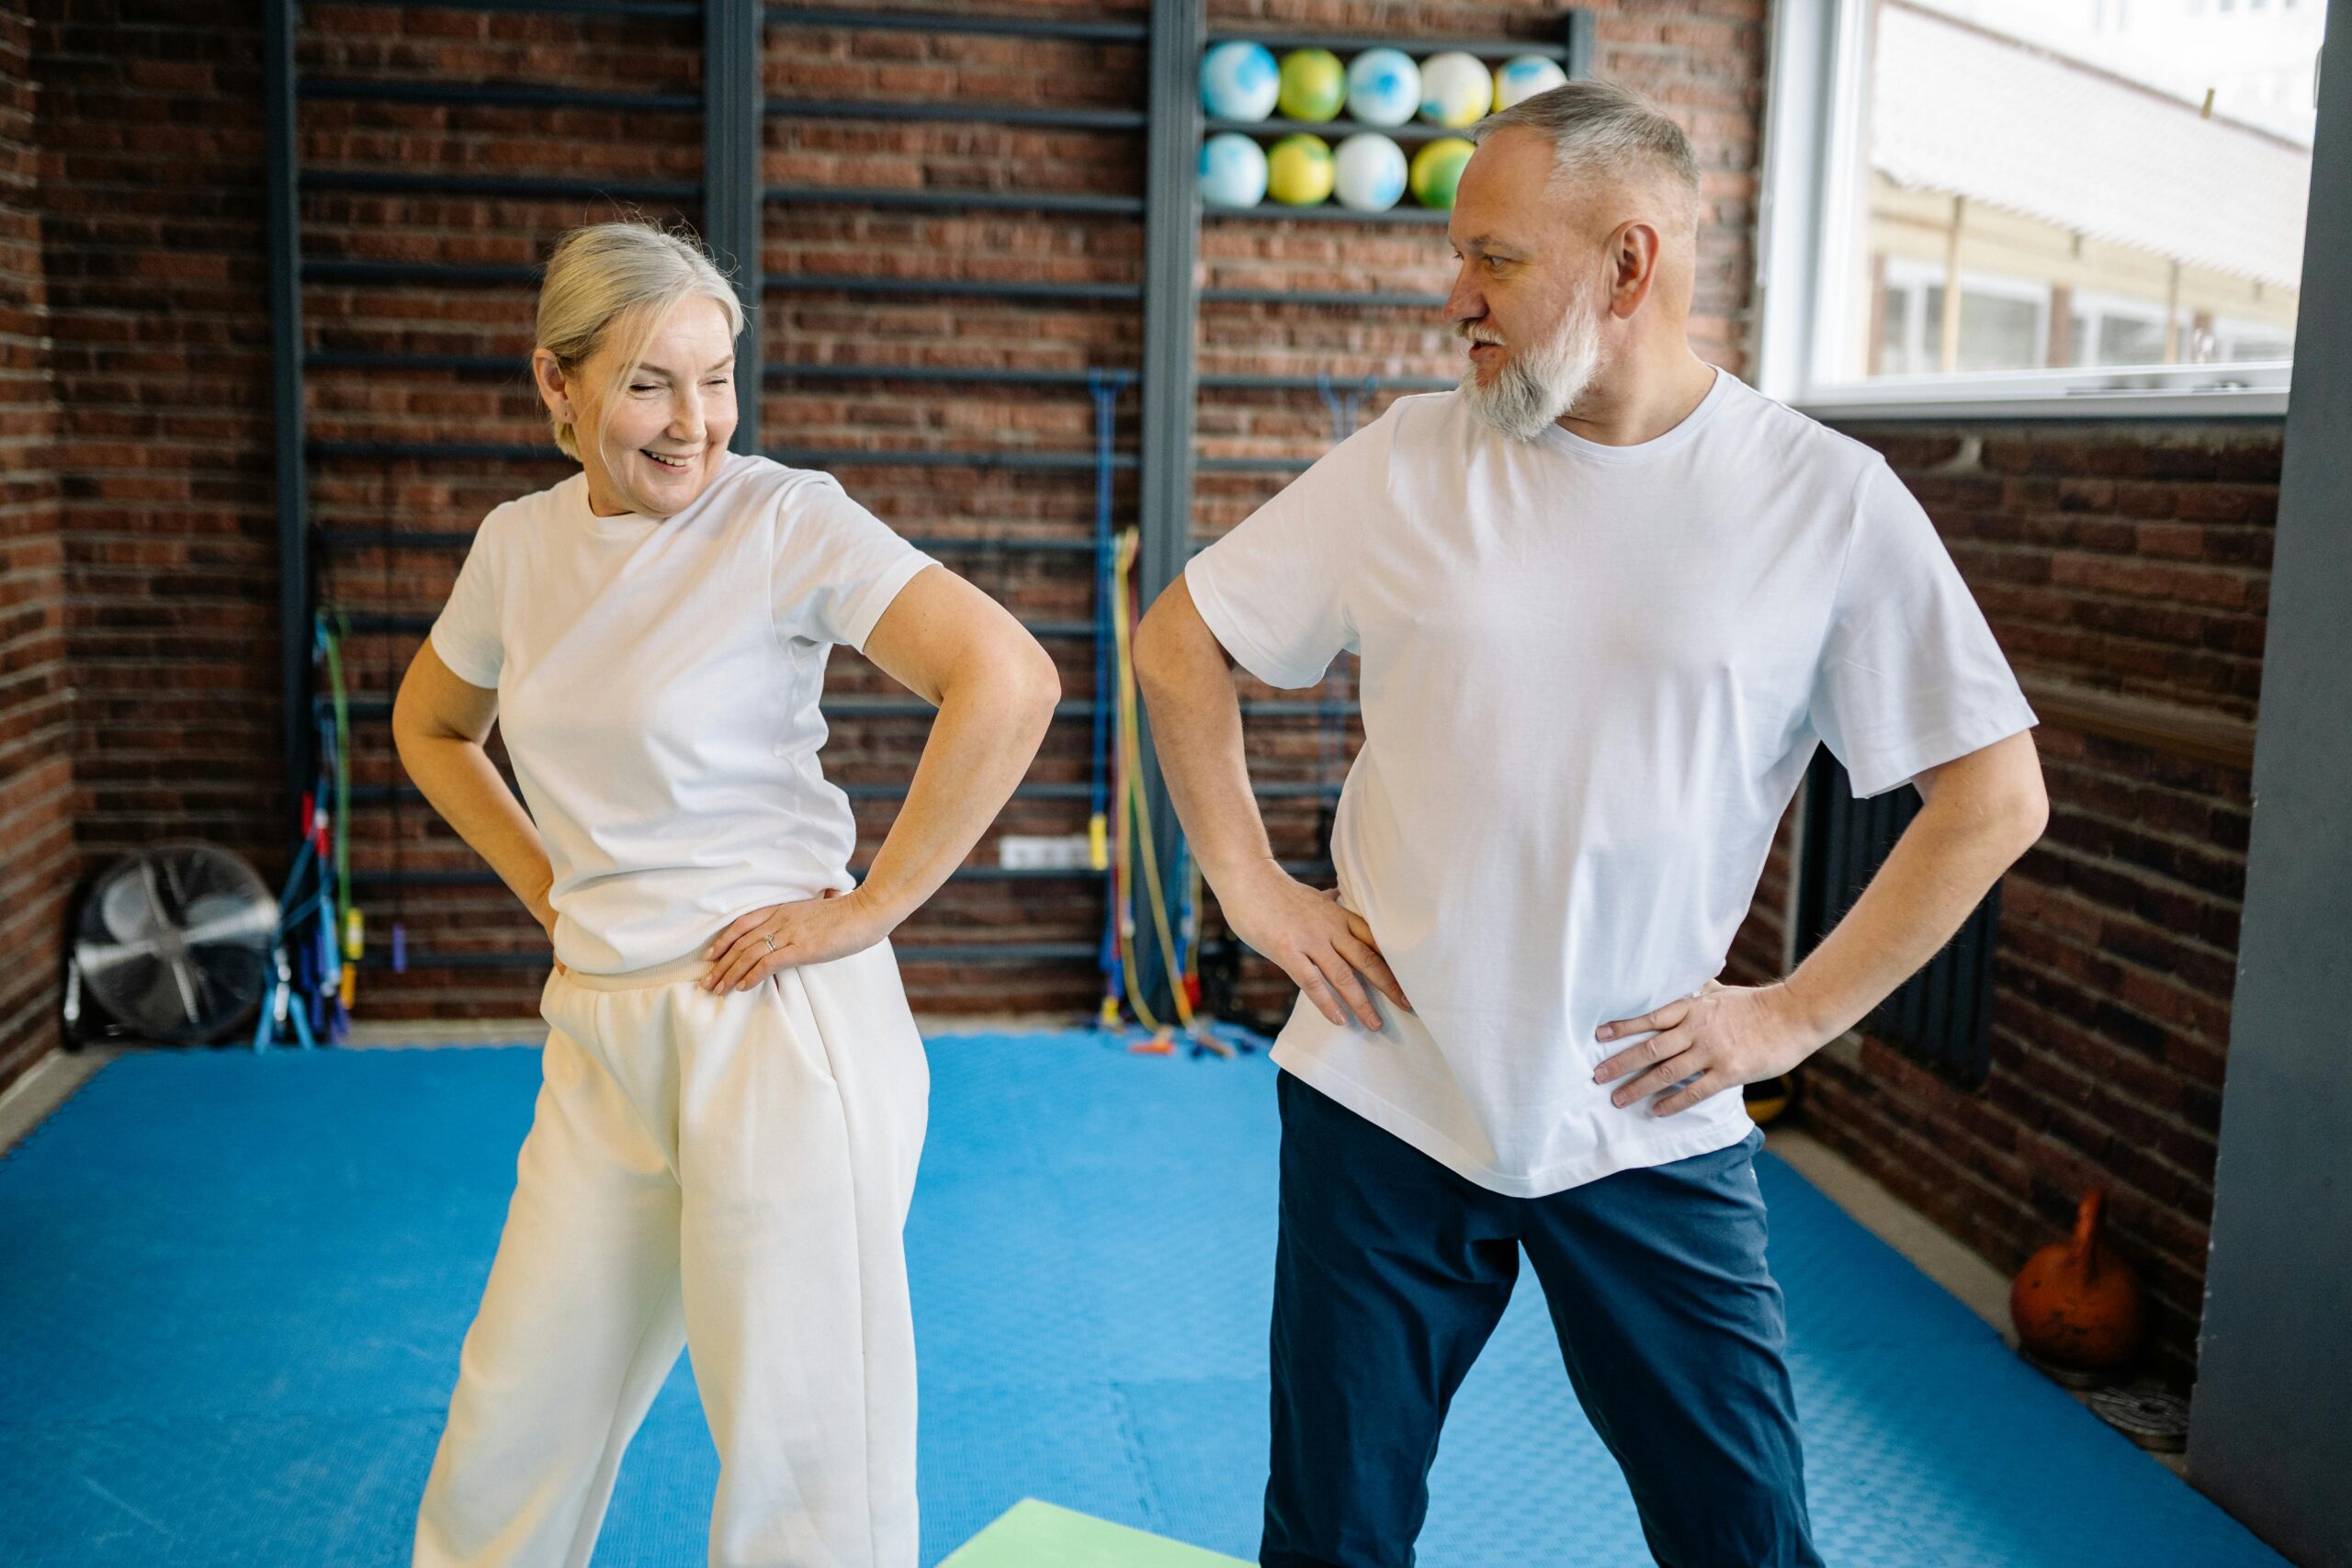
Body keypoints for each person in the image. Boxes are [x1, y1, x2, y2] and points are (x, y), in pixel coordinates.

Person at [1134, 81, 2050, 1568]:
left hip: (1644, 1114)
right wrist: (1249, 887)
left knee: (1745, 1542)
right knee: (1330, 1542)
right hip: (1390, 1086)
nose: (1455, 299)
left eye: (1493, 258)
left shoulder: (1825, 501)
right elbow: (1183, 642)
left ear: (1629, 265)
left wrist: (1787, 1020)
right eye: (1459, 258)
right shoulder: (1412, 459)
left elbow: (1995, 795)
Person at [392, 220, 1060, 1568]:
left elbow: (1010, 676)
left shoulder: (782, 516)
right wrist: (547, 886)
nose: (695, 421)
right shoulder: (517, 548)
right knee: (514, 1417)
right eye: (650, 382)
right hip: (602, 1030)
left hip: (777, 1028)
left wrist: (867, 908)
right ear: (557, 388)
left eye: (717, 376)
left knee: (806, 1470)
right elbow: (431, 726)